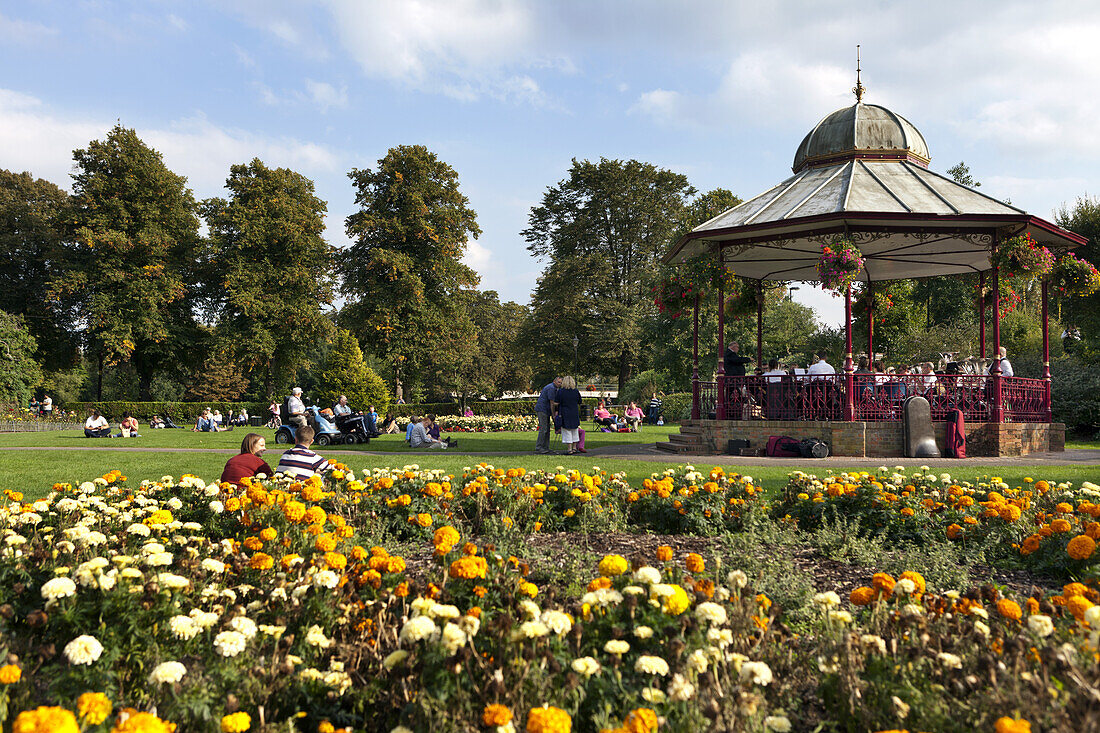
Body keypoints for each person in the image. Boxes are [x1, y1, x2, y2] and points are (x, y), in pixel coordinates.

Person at [534, 376, 561, 454]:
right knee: (544, 429)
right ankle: (539, 447)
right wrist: (553, 415)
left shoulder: (554, 388)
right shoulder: (551, 388)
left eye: (561, 383)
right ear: (554, 381)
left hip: (545, 410)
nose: (560, 384)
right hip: (542, 410)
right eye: (559, 382)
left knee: (547, 429)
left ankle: (545, 447)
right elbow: (552, 403)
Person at [556, 376, 583, 455]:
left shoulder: (561, 391)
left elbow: (557, 402)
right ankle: (574, 448)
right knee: (574, 430)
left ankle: (569, 449)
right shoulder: (576, 391)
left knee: (567, 430)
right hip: (574, 412)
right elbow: (579, 401)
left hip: (565, 413)